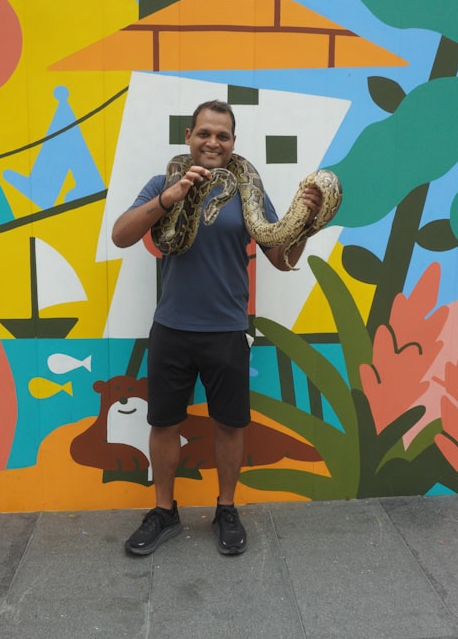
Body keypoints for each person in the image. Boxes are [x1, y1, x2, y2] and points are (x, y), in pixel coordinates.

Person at [111, 99, 324, 556]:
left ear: (232, 144)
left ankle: (226, 508)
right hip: (171, 326)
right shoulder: (163, 181)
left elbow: (281, 259)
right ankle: (164, 511)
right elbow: (122, 234)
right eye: (204, 133)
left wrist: (305, 222)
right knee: (164, 423)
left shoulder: (248, 188)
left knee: (230, 423)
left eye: (222, 136)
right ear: (189, 136)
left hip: (227, 329)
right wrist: (169, 198)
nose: (212, 141)